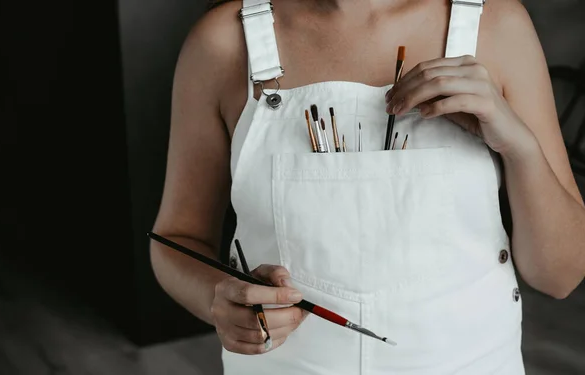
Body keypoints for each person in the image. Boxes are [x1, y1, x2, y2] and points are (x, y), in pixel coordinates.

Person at [150, 0, 585, 373]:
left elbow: (560, 276)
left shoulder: (497, 27)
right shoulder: (224, 42)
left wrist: (519, 145)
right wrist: (219, 300)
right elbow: (175, 239)